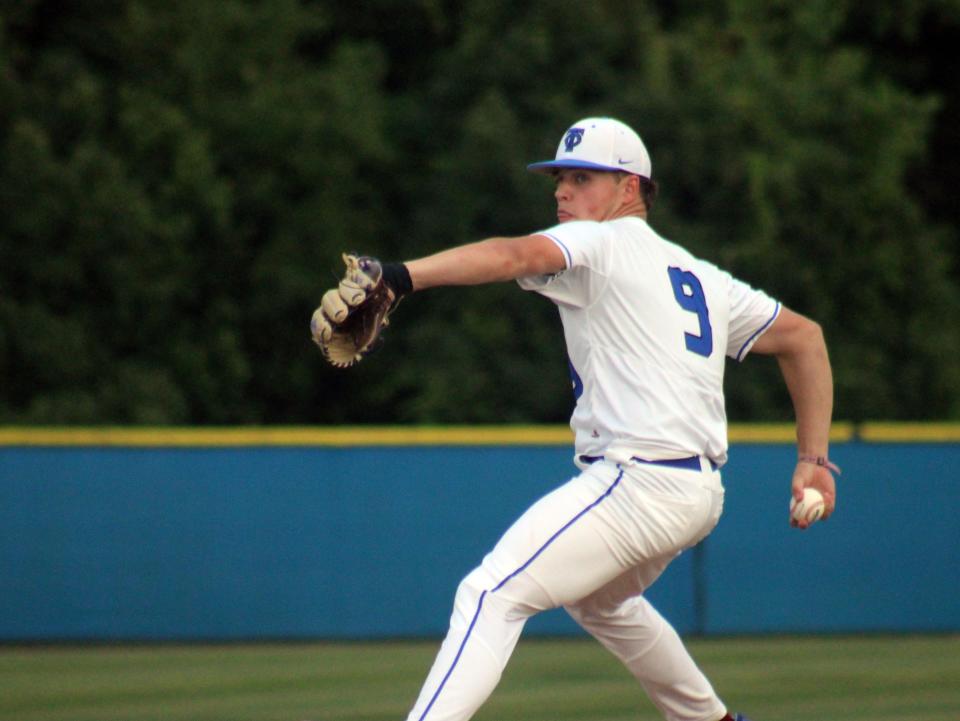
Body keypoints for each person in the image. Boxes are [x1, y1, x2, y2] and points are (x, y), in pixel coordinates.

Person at [336, 117, 838, 721]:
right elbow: (804, 338)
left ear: (630, 190)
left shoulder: (603, 243)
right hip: (698, 492)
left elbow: (513, 254)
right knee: (604, 605)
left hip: (640, 482)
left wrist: (400, 277)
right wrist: (813, 462)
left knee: (490, 592)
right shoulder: (701, 276)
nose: (561, 192)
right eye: (559, 179)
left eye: (581, 178)